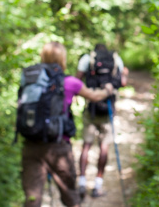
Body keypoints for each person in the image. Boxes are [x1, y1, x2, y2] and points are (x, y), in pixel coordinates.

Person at [21, 42, 114, 207]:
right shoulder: (70, 82)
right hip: (58, 147)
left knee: (32, 198)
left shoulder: (30, 79)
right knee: (71, 197)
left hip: (31, 144)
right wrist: (108, 90)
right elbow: (95, 96)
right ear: (62, 58)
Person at [75, 44, 128, 199]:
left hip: (90, 108)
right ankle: (97, 185)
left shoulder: (87, 58)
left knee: (86, 145)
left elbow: (77, 81)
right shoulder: (116, 58)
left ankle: (82, 183)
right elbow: (122, 83)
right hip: (109, 108)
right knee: (104, 147)